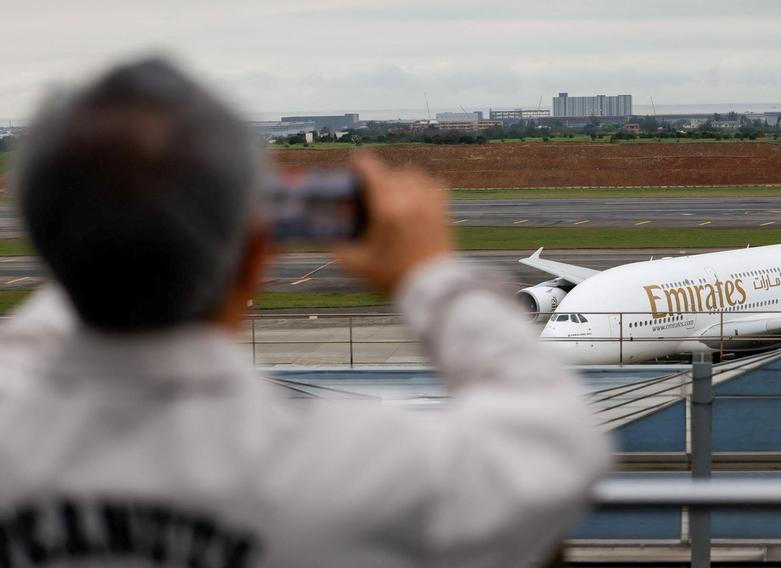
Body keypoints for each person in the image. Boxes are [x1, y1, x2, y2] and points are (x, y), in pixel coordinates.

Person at [0, 59, 610, 566]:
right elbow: (557, 445)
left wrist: (101, 238)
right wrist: (430, 274)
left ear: (44, 235)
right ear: (259, 251)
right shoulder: (347, 468)